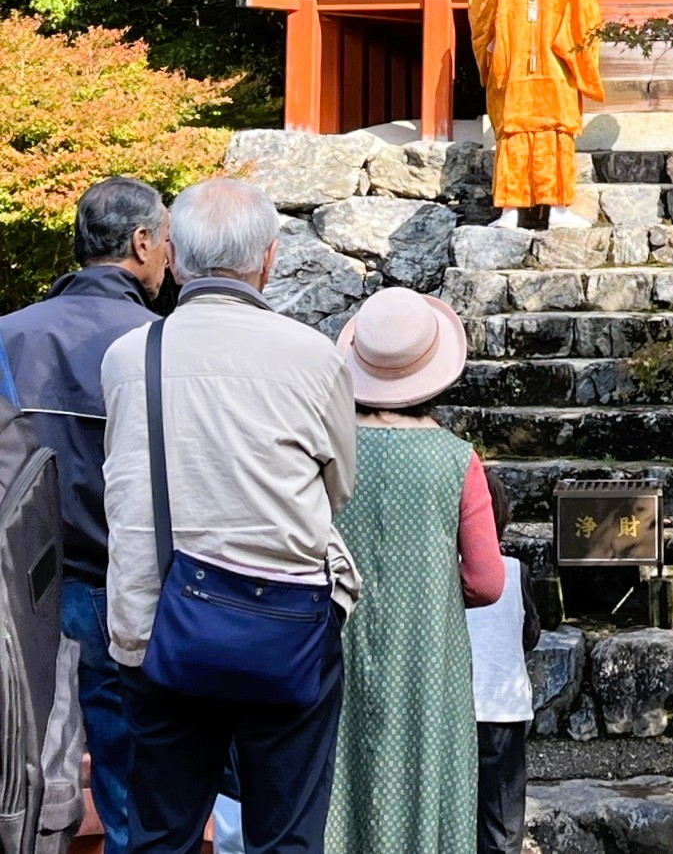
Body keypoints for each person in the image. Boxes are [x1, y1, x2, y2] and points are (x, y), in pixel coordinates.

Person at [102, 177, 360, 854]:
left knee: (163, 834)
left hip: (160, 626)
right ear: (269, 258)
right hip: (287, 624)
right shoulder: (314, 356)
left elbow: (126, 489)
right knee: (287, 836)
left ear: (177, 257)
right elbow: (338, 486)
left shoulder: (131, 356)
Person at [0, 177, 169, 854]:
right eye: (165, 243)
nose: (167, 260)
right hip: (121, 593)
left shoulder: (8, 336)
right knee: (133, 790)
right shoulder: (160, 342)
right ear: (139, 242)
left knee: (26, 782)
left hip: (18, 600)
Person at [327, 285, 504, 854]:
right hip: (429, 658)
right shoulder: (458, 459)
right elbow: (486, 581)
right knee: (429, 781)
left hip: (336, 646)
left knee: (342, 777)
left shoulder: (327, 449)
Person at [468, 0, 605, 230]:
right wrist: (580, 57)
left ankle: (510, 212)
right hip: (556, 62)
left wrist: (492, 50)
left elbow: (480, 10)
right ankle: (557, 210)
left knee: (514, 132)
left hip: (514, 63)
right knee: (554, 131)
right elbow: (587, 17)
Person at [467, 470, 541, 854]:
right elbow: (530, 635)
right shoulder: (515, 571)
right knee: (502, 823)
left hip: (452, 708)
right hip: (501, 708)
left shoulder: (440, 571)